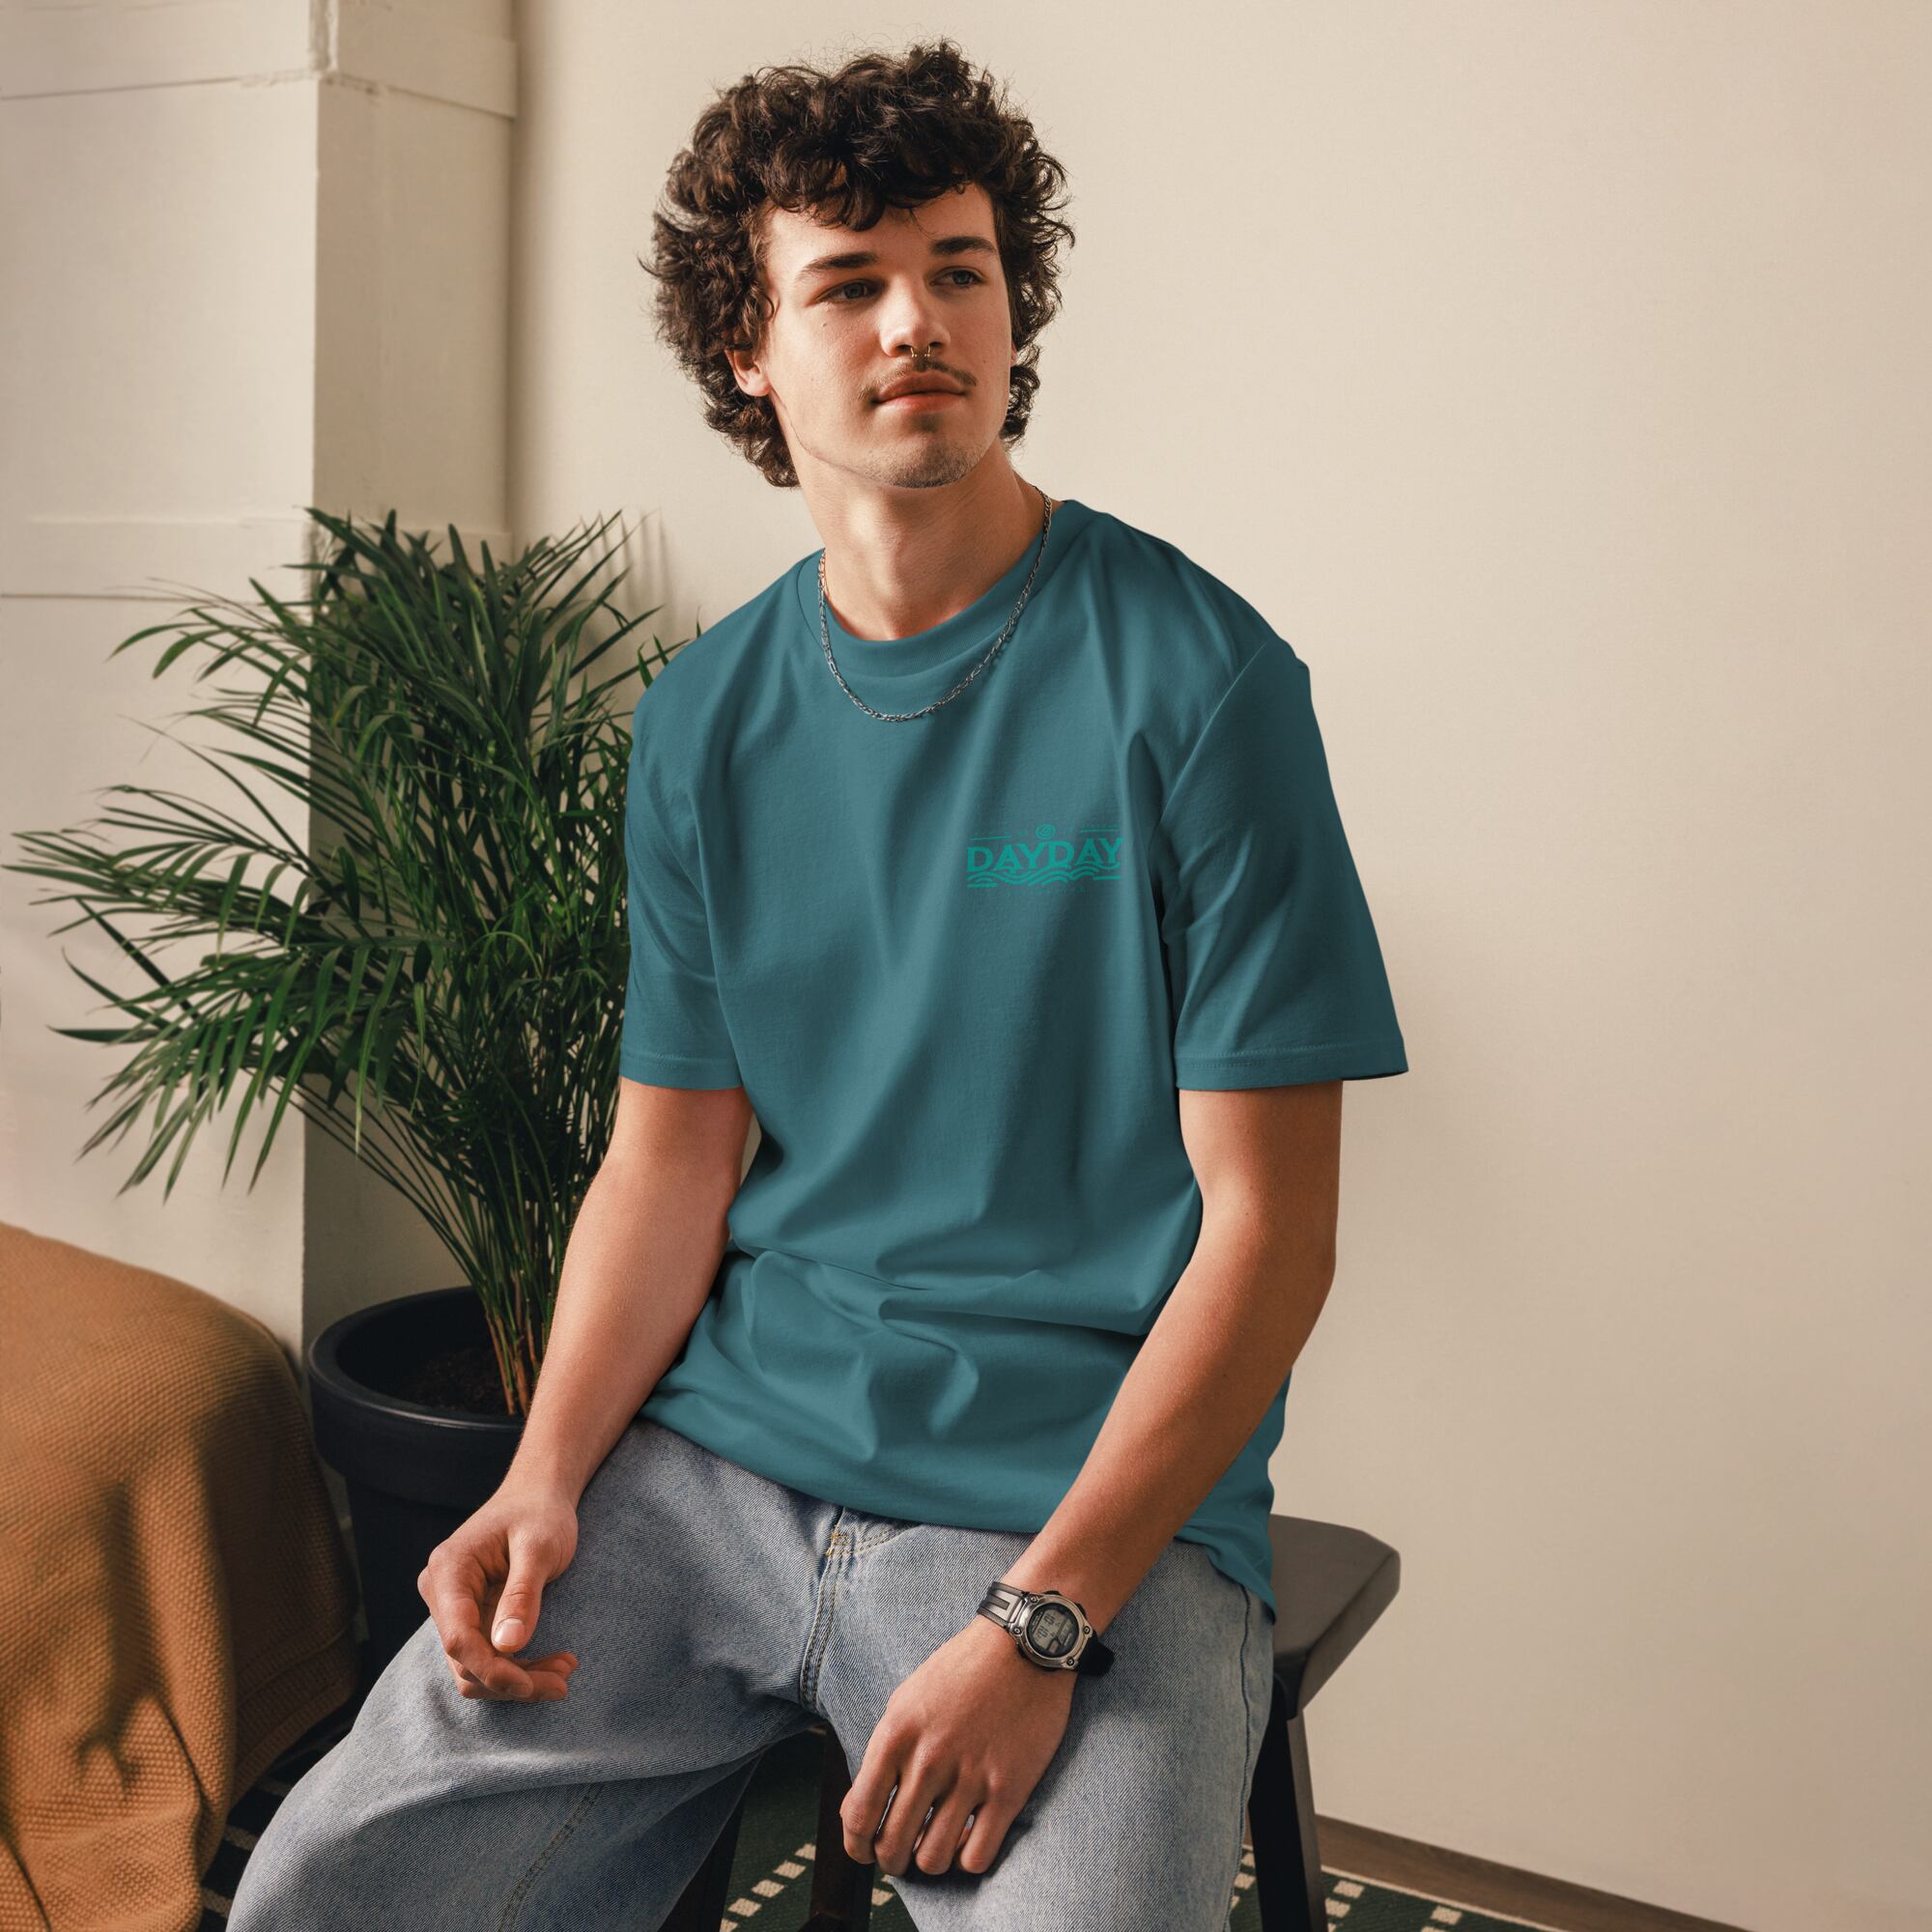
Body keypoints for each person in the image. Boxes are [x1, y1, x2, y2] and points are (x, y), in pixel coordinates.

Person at [228, 36, 1408, 1932]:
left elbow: (1271, 1237)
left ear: (1014, 314)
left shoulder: (1202, 686)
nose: (916, 319)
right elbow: (669, 1159)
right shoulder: (704, 723)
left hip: (1067, 1509)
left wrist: (1040, 1623)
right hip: (713, 1479)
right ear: (749, 355)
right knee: (319, 1887)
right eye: (848, 282)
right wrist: (545, 1477)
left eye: (959, 270)